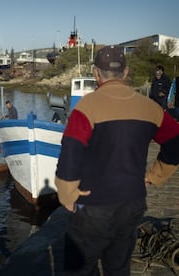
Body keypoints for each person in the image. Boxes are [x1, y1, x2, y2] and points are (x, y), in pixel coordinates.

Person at [55, 46, 179, 275]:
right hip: (132, 201)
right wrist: (153, 176)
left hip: (93, 205)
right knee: (118, 265)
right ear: (126, 72)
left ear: (95, 73)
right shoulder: (151, 108)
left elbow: (70, 153)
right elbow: (176, 144)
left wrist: (67, 194)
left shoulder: (86, 108)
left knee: (80, 267)